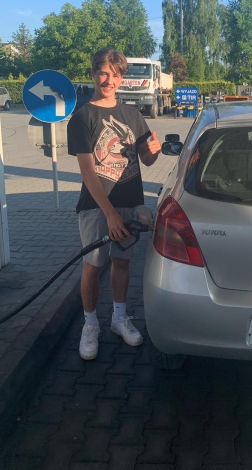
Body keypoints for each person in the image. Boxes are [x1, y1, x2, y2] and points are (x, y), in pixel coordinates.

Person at [67, 48, 161, 360]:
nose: (109, 80)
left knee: (122, 262)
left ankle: (119, 318)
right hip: (96, 206)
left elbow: (146, 160)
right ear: (93, 74)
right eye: (103, 73)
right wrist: (108, 213)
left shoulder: (133, 116)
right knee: (93, 265)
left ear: (122, 78)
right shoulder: (82, 118)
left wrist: (155, 151)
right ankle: (90, 324)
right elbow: (87, 171)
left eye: (116, 74)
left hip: (130, 202)